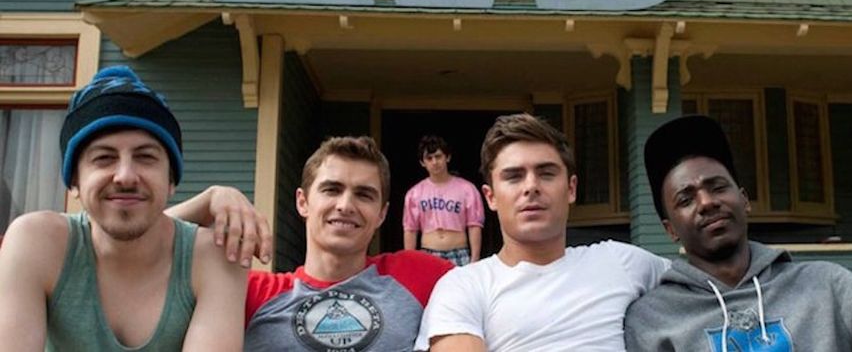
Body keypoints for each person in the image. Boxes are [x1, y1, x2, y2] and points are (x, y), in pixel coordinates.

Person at [625, 114, 852, 352]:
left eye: (717, 187)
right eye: (686, 199)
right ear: (670, 229)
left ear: (744, 200)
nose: (707, 202)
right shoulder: (652, 319)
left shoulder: (825, 284)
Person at [0, 66, 247, 351]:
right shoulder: (37, 242)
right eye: (104, 158)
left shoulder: (215, 256)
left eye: (145, 157)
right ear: (74, 182)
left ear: (171, 181)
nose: (126, 176)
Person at [415, 113, 671, 352]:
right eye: (514, 177)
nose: (531, 186)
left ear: (571, 189)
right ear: (490, 197)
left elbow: (695, 283)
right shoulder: (463, 287)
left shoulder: (621, 262)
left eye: (546, 174)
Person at [171, 135, 454, 351]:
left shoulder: (417, 274)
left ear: (381, 213)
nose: (345, 205)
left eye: (364, 195)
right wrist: (208, 200)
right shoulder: (251, 293)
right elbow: (143, 253)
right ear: (303, 202)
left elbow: (482, 281)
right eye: (332, 189)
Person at [403, 135, 484, 266]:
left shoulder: (467, 189)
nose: (434, 162)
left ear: (447, 157)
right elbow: (410, 229)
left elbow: (474, 225)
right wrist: (410, 261)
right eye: (429, 158)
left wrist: (475, 259)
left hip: (459, 252)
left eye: (438, 156)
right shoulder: (414, 193)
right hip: (428, 253)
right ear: (422, 162)